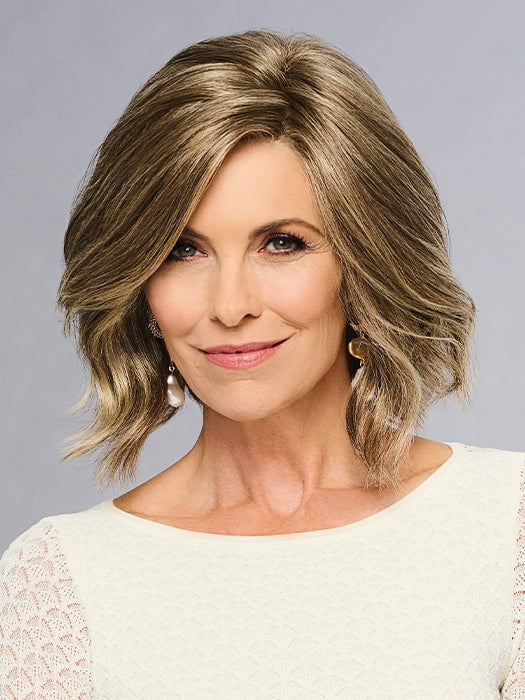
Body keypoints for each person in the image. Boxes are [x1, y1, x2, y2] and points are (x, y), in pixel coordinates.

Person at [1, 29, 523, 698]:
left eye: (281, 243)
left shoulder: (505, 526)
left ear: (363, 266)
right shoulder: (61, 583)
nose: (229, 305)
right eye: (182, 250)